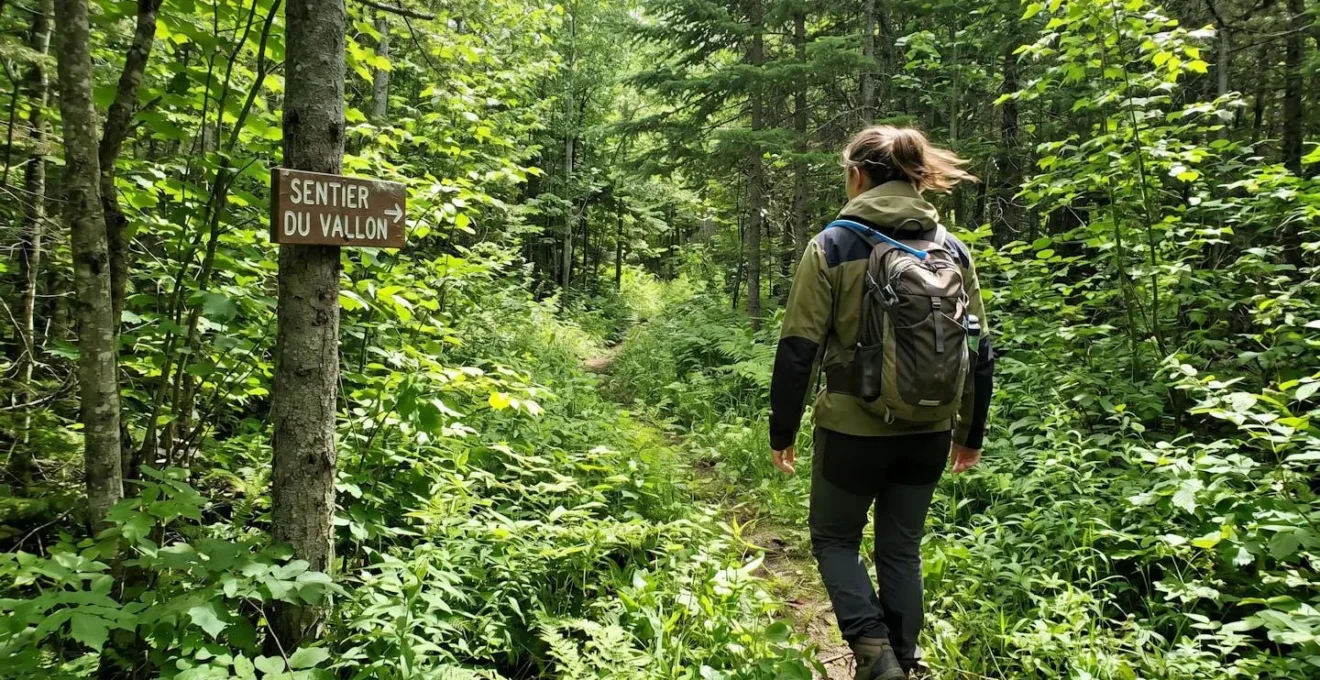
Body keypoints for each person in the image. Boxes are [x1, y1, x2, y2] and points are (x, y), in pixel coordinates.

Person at [768, 125, 995, 680]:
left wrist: (783, 431)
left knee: (834, 538)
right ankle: (904, 660)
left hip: (852, 429)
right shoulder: (951, 249)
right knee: (902, 549)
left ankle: (873, 654)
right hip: (931, 430)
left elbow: (799, 348)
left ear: (857, 175)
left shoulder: (833, 245)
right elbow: (979, 350)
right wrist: (969, 434)